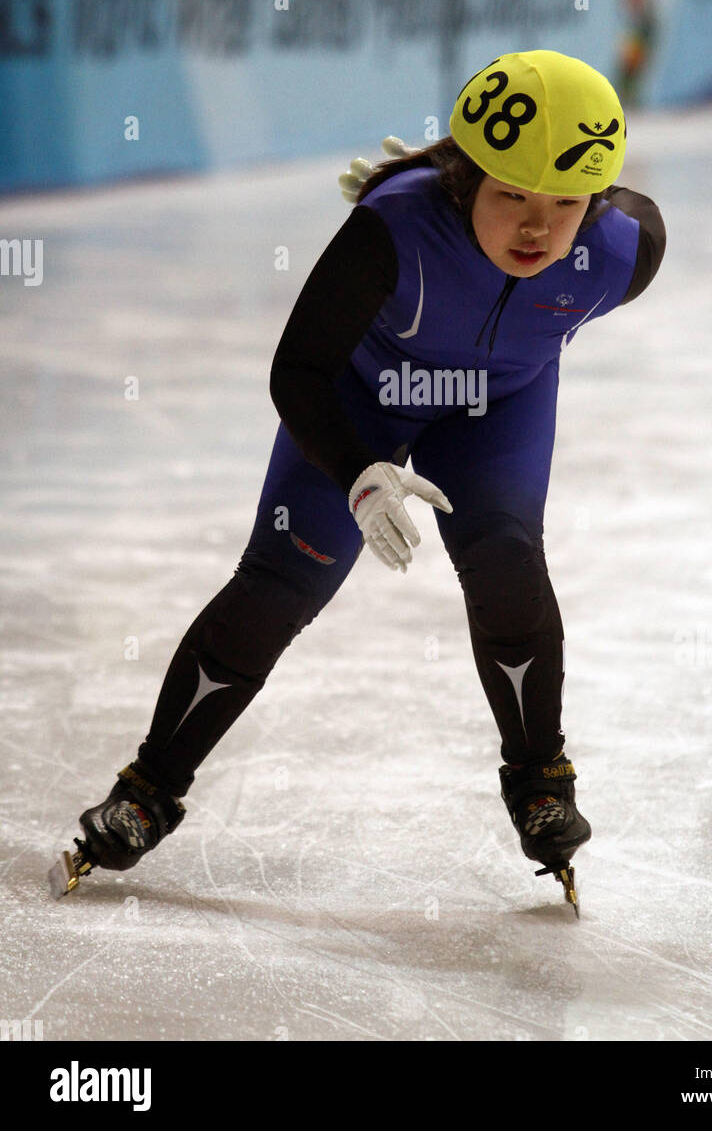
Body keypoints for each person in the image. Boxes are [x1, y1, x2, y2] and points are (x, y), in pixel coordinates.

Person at [50, 49, 665, 912]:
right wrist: (358, 474)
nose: (537, 228)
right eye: (511, 196)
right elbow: (297, 370)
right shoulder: (397, 229)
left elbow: (621, 211)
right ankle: (147, 791)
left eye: (564, 204)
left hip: (493, 412)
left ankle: (540, 777)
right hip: (358, 402)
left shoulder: (619, 253)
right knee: (280, 584)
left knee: (506, 557)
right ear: (465, 181)